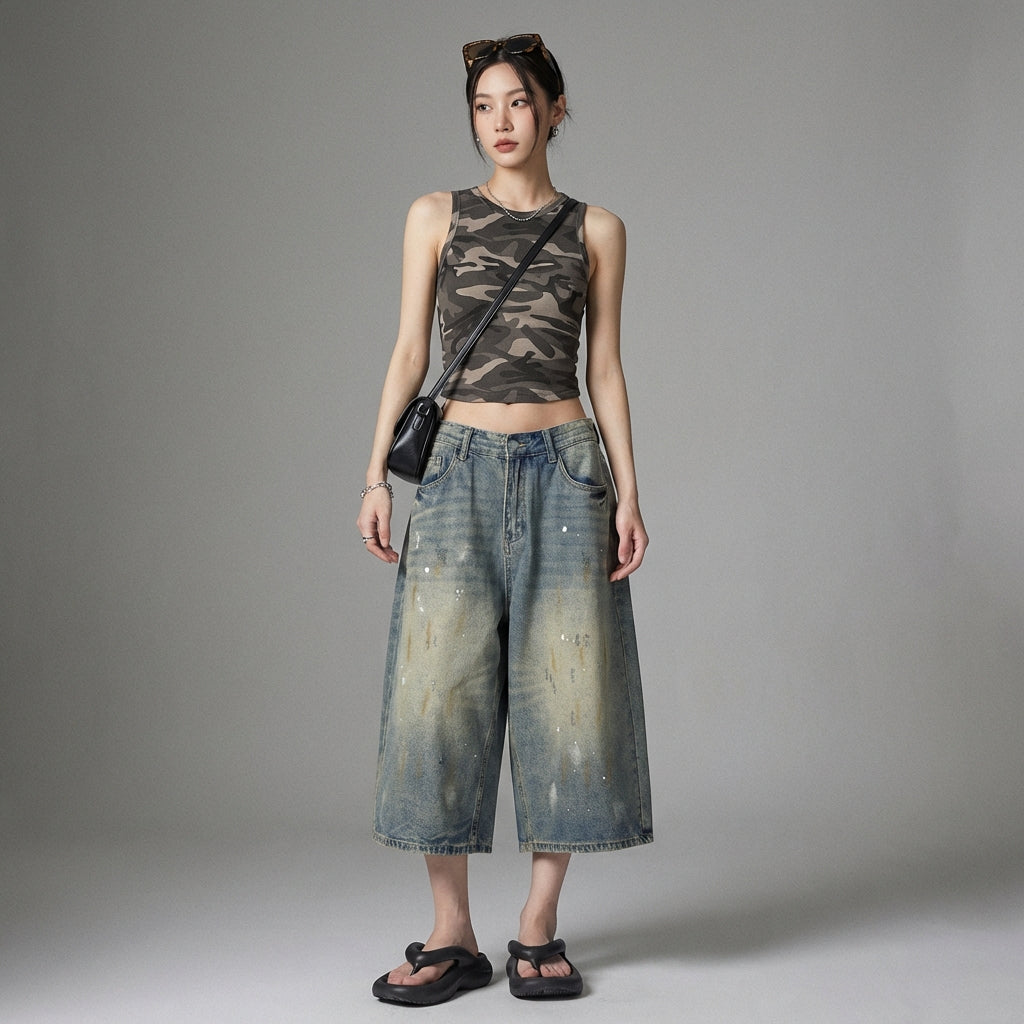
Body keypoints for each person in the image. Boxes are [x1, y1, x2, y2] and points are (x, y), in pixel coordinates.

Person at [357, 34, 653, 1006]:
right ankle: (452, 933)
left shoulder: (596, 228)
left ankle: (537, 926)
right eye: (483, 104)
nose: (500, 121)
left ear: (555, 110)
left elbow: (603, 367)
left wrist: (630, 493)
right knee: (435, 691)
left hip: (566, 468)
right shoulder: (435, 215)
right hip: (457, 468)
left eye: (518, 101)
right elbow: (410, 351)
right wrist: (374, 476)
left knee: (569, 691)